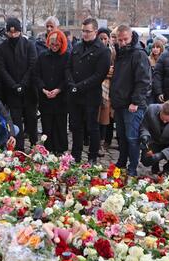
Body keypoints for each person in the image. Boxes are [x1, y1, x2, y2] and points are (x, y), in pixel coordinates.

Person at [65, 18, 111, 164]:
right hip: (75, 95)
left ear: (95, 32)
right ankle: (76, 155)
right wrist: (71, 83)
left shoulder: (103, 50)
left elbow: (99, 75)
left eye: (88, 31)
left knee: (92, 128)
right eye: (83, 31)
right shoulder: (77, 47)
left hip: (90, 95)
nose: (84, 34)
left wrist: (79, 86)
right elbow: (68, 67)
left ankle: (92, 157)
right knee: (76, 127)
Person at [110, 25, 150, 176]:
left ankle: (133, 167)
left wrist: (135, 101)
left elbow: (143, 80)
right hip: (120, 102)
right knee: (122, 136)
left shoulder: (138, 54)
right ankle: (122, 161)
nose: (122, 42)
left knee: (132, 137)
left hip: (133, 104)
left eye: (125, 39)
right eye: (120, 40)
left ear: (131, 36)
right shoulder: (120, 52)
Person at [0, 17, 37, 150]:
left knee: (31, 119)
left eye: (16, 32)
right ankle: (19, 148)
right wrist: (13, 84)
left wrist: (23, 84)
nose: (13, 35)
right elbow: (1, 68)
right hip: (11, 91)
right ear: (7, 32)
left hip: (28, 90)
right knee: (16, 121)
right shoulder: (2, 47)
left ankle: (34, 145)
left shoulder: (29, 44)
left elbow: (32, 65)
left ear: (20, 31)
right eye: (10, 32)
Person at [32, 30, 69, 155]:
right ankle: (48, 148)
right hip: (45, 96)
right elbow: (36, 75)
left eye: (57, 45)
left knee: (60, 123)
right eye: (52, 44)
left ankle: (60, 148)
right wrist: (43, 89)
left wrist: (59, 89)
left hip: (60, 97)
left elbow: (67, 77)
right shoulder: (42, 56)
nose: (54, 47)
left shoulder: (66, 56)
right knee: (47, 123)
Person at [139, 100, 169, 175]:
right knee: (146, 161)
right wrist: (144, 135)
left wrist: (162, 155)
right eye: (163, 118)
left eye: (167, 120)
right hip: (154, 141)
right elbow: (144, 126)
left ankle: (167, 170)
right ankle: (155, 165)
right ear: (161, 110)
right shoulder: (151, 109)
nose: (164, 121)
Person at [97, 28, 115, 153]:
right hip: (96, 86)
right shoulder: (95, 50)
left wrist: (109, 73)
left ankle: (104, 141)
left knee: (106, 117)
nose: (103, 41)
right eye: (101, 38)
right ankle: (96, 141)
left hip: (108, 88)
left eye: (105, 38)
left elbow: (114, 69)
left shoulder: (112, 52)